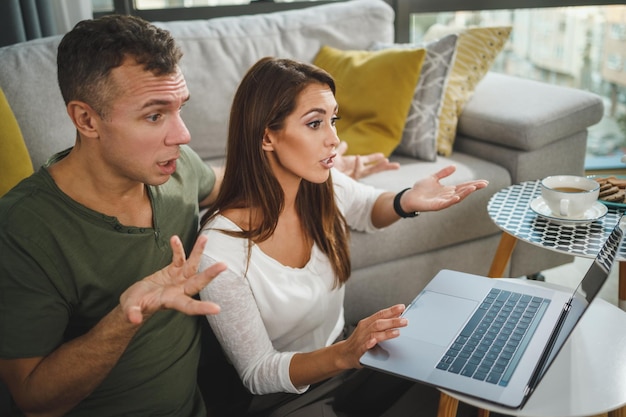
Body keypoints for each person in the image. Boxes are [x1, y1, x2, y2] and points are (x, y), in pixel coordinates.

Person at [0, 15, 404, 417]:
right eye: (155, 115)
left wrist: (329, 165)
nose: (182, 135)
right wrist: (124, 318)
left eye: (180, 109)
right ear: (86, 119)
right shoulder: (23, 229)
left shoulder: (174, 167)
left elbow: (246, 177)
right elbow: (34, 400)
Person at [197, 57, 489, 416]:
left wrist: (405, 200)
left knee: (455, 387)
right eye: (315, 123)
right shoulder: (219, 251)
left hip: (346, 356)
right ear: (267, 136)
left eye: (332, 121)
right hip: (283, 396)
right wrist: (347, 353)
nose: (334, 139)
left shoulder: (321, 186)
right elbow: (258, 372)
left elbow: (368, 207)